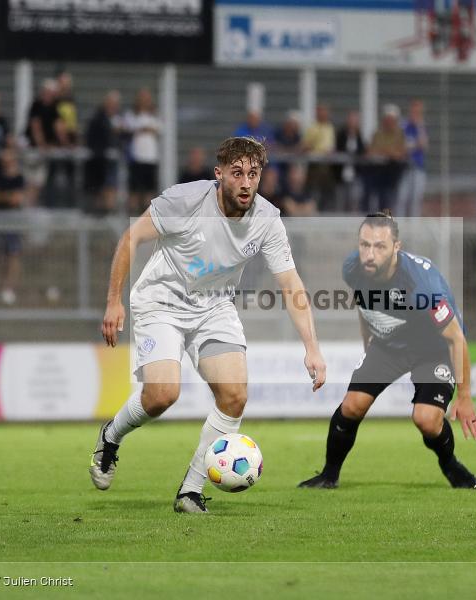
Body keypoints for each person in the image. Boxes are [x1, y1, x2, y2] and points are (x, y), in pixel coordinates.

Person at [90, 137, 327, 514]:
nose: (246, 183)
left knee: (234, 395)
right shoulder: (184, 202)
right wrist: (113, 301)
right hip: (161, 302)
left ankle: (191, 491)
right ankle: (111, 436)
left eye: (253, 174)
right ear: (219, 175)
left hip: (213, 307)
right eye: (237, 174)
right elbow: (130, 238)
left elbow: (290, 283)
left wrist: (312, 347)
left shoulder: (267, 219)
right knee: (163, 395)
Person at [298, 211, 476, 490]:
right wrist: (367, 345)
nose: (369, 254)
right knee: (351, 406)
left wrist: (465, 397)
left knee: (426, 420)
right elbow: (365, 306)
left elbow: (456, 339)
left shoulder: (422, 285)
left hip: (432, 349)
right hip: (389, 345)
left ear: (397, 247)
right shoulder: (353, 268)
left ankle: (450, 465)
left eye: (379, 246)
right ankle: (329, 475)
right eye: (364, 245)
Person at [0, 151, 26, 305]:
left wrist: (2, 196)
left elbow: (16, 199)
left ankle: (10, 287)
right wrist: (4, 197)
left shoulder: (18, 178)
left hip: (13, 220)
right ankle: (1, 286)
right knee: (1, 255)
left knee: (13, 254)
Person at [362, 104, 407, 213]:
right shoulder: (378, 134)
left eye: (391, 120)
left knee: (388, 200)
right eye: (386, 119)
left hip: (392, 174)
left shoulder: (399, 135)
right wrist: (386, 151)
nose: (388, 122)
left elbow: (401, 153)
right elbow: (369, 152)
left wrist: (387, 152)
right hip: (376, 172)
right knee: (370, 197)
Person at [124, 88, 162, 214]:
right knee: (134, 189)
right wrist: (144, 129)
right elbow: (128, 127)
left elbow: (159, 128)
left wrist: (143, 129)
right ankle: (132, 215)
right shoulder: (131, 115)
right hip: (136, 157)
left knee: (149, 189)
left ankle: (146, 217)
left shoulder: (154, 115)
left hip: (150, 158)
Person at [84, 90, 123, 215]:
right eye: (110, 103)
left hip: (113, 160)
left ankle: (109, 212)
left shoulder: (119, 119)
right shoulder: (98, 118)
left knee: (111, 186)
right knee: (99, 189)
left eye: (115, 104)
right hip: (99, 161)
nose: (113, 106)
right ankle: (99, 212)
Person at [396, 99, 429, 217]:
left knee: (416, 200)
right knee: (402, 198)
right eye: (414, 111)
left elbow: (424, 145)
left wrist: (419, 127)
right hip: (405, 167)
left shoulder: (421, 126)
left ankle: (414, 227)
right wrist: (415, 145)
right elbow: (401, 145)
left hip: (418, 168)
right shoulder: (403, 125)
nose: (416, 114)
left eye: (419, 112)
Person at [301, 104, 336, 209]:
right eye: (321, 112)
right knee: (313, 191)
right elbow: (305, 146)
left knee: (327, 191)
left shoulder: (330, 127)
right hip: (315, 165)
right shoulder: (312, 128)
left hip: (327, 166)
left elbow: (332, 145)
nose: (323, 115)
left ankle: (325, 210)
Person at [335, 110, 366, 212]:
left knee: (354, 201)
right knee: (341, 201)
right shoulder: (341, 134)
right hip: (341, 174)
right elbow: (337, 149)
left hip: (355, 173)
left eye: (355, 121)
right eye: (351, 120)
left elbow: (362, 151)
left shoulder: (359, 135)